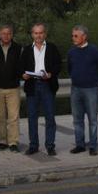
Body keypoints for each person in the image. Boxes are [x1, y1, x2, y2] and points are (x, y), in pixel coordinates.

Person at [20, 23, 61, 156]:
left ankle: (50, 145)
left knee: (50, 116)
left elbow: (58, 65)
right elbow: (20, 67)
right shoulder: (26, 50)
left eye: (41, 33)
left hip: (47, 85)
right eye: (36, 33)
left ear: (45, 34)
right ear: (32, 34)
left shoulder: (52, 48)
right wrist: (23, 75)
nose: (38, 35)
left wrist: (50, 74)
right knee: (32, 117)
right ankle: (33, 145)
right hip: (32, 85)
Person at [67, 24, 98, 156]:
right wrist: (75, 78)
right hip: (76, 89)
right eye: (72, 35)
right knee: (77, 119)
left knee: (92, 119)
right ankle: (80, 145)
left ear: (84, 37)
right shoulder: (71, 52)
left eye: (76, 36)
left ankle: (93, 146)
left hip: (91, 89)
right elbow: (69, 68)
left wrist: (94, 81)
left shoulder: (94, 50)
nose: (73, 38)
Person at [0, 24, 23, 152]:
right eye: (3, 33)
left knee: (13, 117)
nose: (6, 36)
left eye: (8, 33)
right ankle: (3, 141)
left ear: (12, 35)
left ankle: (13, 142)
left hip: (13, 88)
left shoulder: (18, 48)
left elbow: (21, 66)